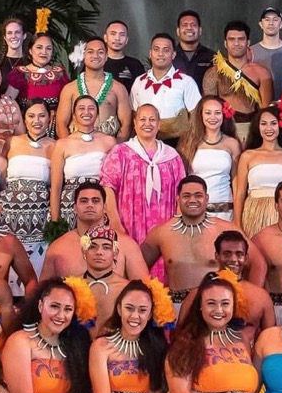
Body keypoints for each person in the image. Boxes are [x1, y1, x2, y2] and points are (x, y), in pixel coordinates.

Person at [143, 176, 266, 298]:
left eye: (198, 195)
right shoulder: (162, 233)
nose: (192, 200)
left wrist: (250, 299)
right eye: (186, 196)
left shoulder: (226, 229)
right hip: (176, 309)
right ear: (178, 199)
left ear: (206, 199)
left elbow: (258, 264)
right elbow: (138, 266)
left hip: (215, 307)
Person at [101, 104, 187, 245]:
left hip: (165, 228)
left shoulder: (172, 156)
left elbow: (182, 192)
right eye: (143, 119)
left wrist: (178, 223)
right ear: (135, 124)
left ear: (159, 124)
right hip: (128, 226)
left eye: (152, 120)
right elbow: (107, 188)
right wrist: (115, 222)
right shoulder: (121, 152)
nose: (147, 124)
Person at [42, 182, 151, 284]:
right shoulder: (57, 249)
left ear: (104, 208)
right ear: (74, 208)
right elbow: (42, 294)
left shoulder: (127, 245)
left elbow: (145, 291)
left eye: (95, 201)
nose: (89, 205)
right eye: (84, 201)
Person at [48, 96, 117, 231]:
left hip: (100, 203)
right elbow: (56, 187)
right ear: (74, 115)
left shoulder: (109, 142)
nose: (86, 112)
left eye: (91, 108)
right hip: (71, 206)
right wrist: (55, 221)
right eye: (81, 108)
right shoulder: (62, 144)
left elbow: (114, 182)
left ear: (97, 115)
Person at [233, 108, 282, 238]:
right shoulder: (248, 156)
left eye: (273, 123)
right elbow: (240, 192)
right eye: (263, 124)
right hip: (253, 211)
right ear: (257, 127)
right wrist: (237, 223)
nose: (268, 128)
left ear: (281, 125)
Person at [202, 22, 275, 143]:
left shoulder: (262, 72)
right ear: (225, 43)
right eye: (232, 39)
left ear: (248, 42)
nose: (236, 43)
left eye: (241, 39)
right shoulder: (213, 73)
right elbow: (208, 107)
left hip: (251, 129)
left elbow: (265, 110)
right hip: (223, 129)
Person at [131, 34, 203, 143]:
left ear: (173, 54)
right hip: (144, 142)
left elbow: (196, 117)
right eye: (156, 49)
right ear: (150, 53)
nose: (160, 54)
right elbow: (134, 114)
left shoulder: (186, 82)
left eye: (166, 50)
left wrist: (190, 145)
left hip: (178, 143)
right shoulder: (139, 82)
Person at [180, 96, 240, 220]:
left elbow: (237, 183)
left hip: (225, 210)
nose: (213, 117)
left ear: (224, 115)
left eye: (217, 113)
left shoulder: (232, 144)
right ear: (200, 115)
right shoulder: (189, 143)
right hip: (196, 210)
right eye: (208, 113)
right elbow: (182, 180)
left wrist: (238, 218)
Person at [56, 38, 131, 138]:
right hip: (77, 147)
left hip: (108, 148)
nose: (95, 56)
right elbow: (61, 124)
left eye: (100, 52)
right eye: (90, 52)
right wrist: (69, 149)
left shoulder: (119, 89)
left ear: (106, 56)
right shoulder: (69, 89)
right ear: (84, 55)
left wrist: (115, 151)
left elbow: (127, 125)